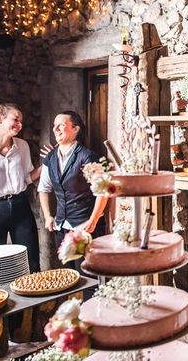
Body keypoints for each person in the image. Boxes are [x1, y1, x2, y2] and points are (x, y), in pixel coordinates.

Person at [38, 111, 107, 280]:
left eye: (61, 125)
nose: (56, 129)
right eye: (54, 125)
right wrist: (48, 216)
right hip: (61, 227)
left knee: (88, 279)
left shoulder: (87, 156)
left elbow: (103, 191)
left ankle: (90, 307)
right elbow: (43, 188)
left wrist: (93, 220)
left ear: (75, 129)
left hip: (84, 226)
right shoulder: (51, 157)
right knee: (68, 277)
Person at [0, 103, 41, 272]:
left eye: (21, 122)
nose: (19, 125)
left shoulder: (22, 146)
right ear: (0, 119)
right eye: (16, 119)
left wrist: (46, 164)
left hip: (20, 205)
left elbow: (27, 178)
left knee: (30, 256)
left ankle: (37, 296)